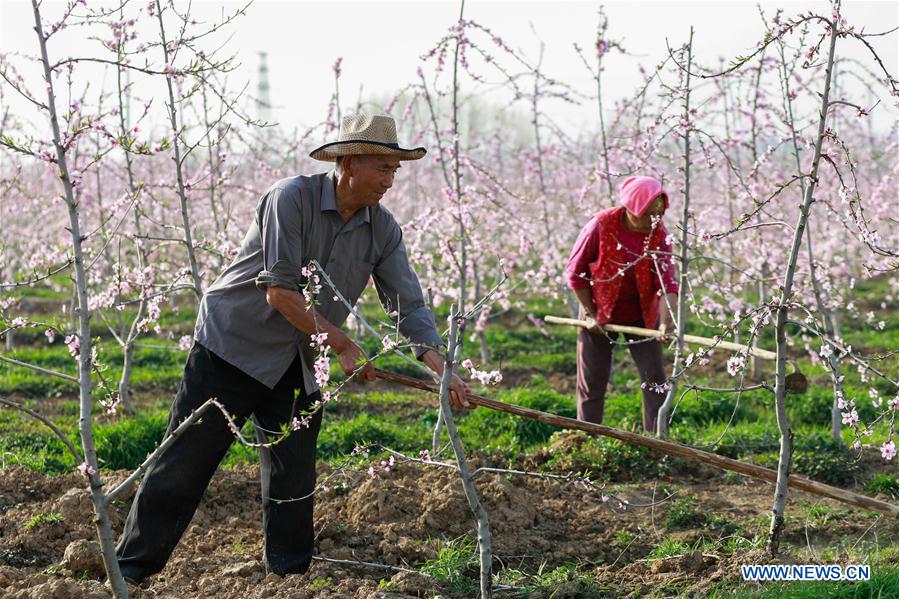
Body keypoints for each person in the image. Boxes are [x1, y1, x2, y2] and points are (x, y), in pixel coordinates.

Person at [115, 113, 471, 583]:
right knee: (185, 464)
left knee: (294, 477)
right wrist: (342, 344)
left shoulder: (382, 229)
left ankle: (290, 579)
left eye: (394, 171)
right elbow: (280, 292)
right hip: (234, 347)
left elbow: (407, 304)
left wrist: (439, 366)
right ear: (348, 161)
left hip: (301, 361)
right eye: (382, 168)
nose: (390, 181)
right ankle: (128, 573)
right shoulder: (291, 199)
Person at [566, 175, 679, 433]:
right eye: (649, 214)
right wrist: (591, 314)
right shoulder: (601, 225)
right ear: (633, 208)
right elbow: (576, 273)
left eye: (658, 215)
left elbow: (667, 283)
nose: (654, 221)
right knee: (593, 380)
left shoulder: (659, 234)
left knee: (655, 380)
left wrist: (665, 324)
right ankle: (587, 436)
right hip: (599, 311)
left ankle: (656, 440)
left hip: (641, 314)